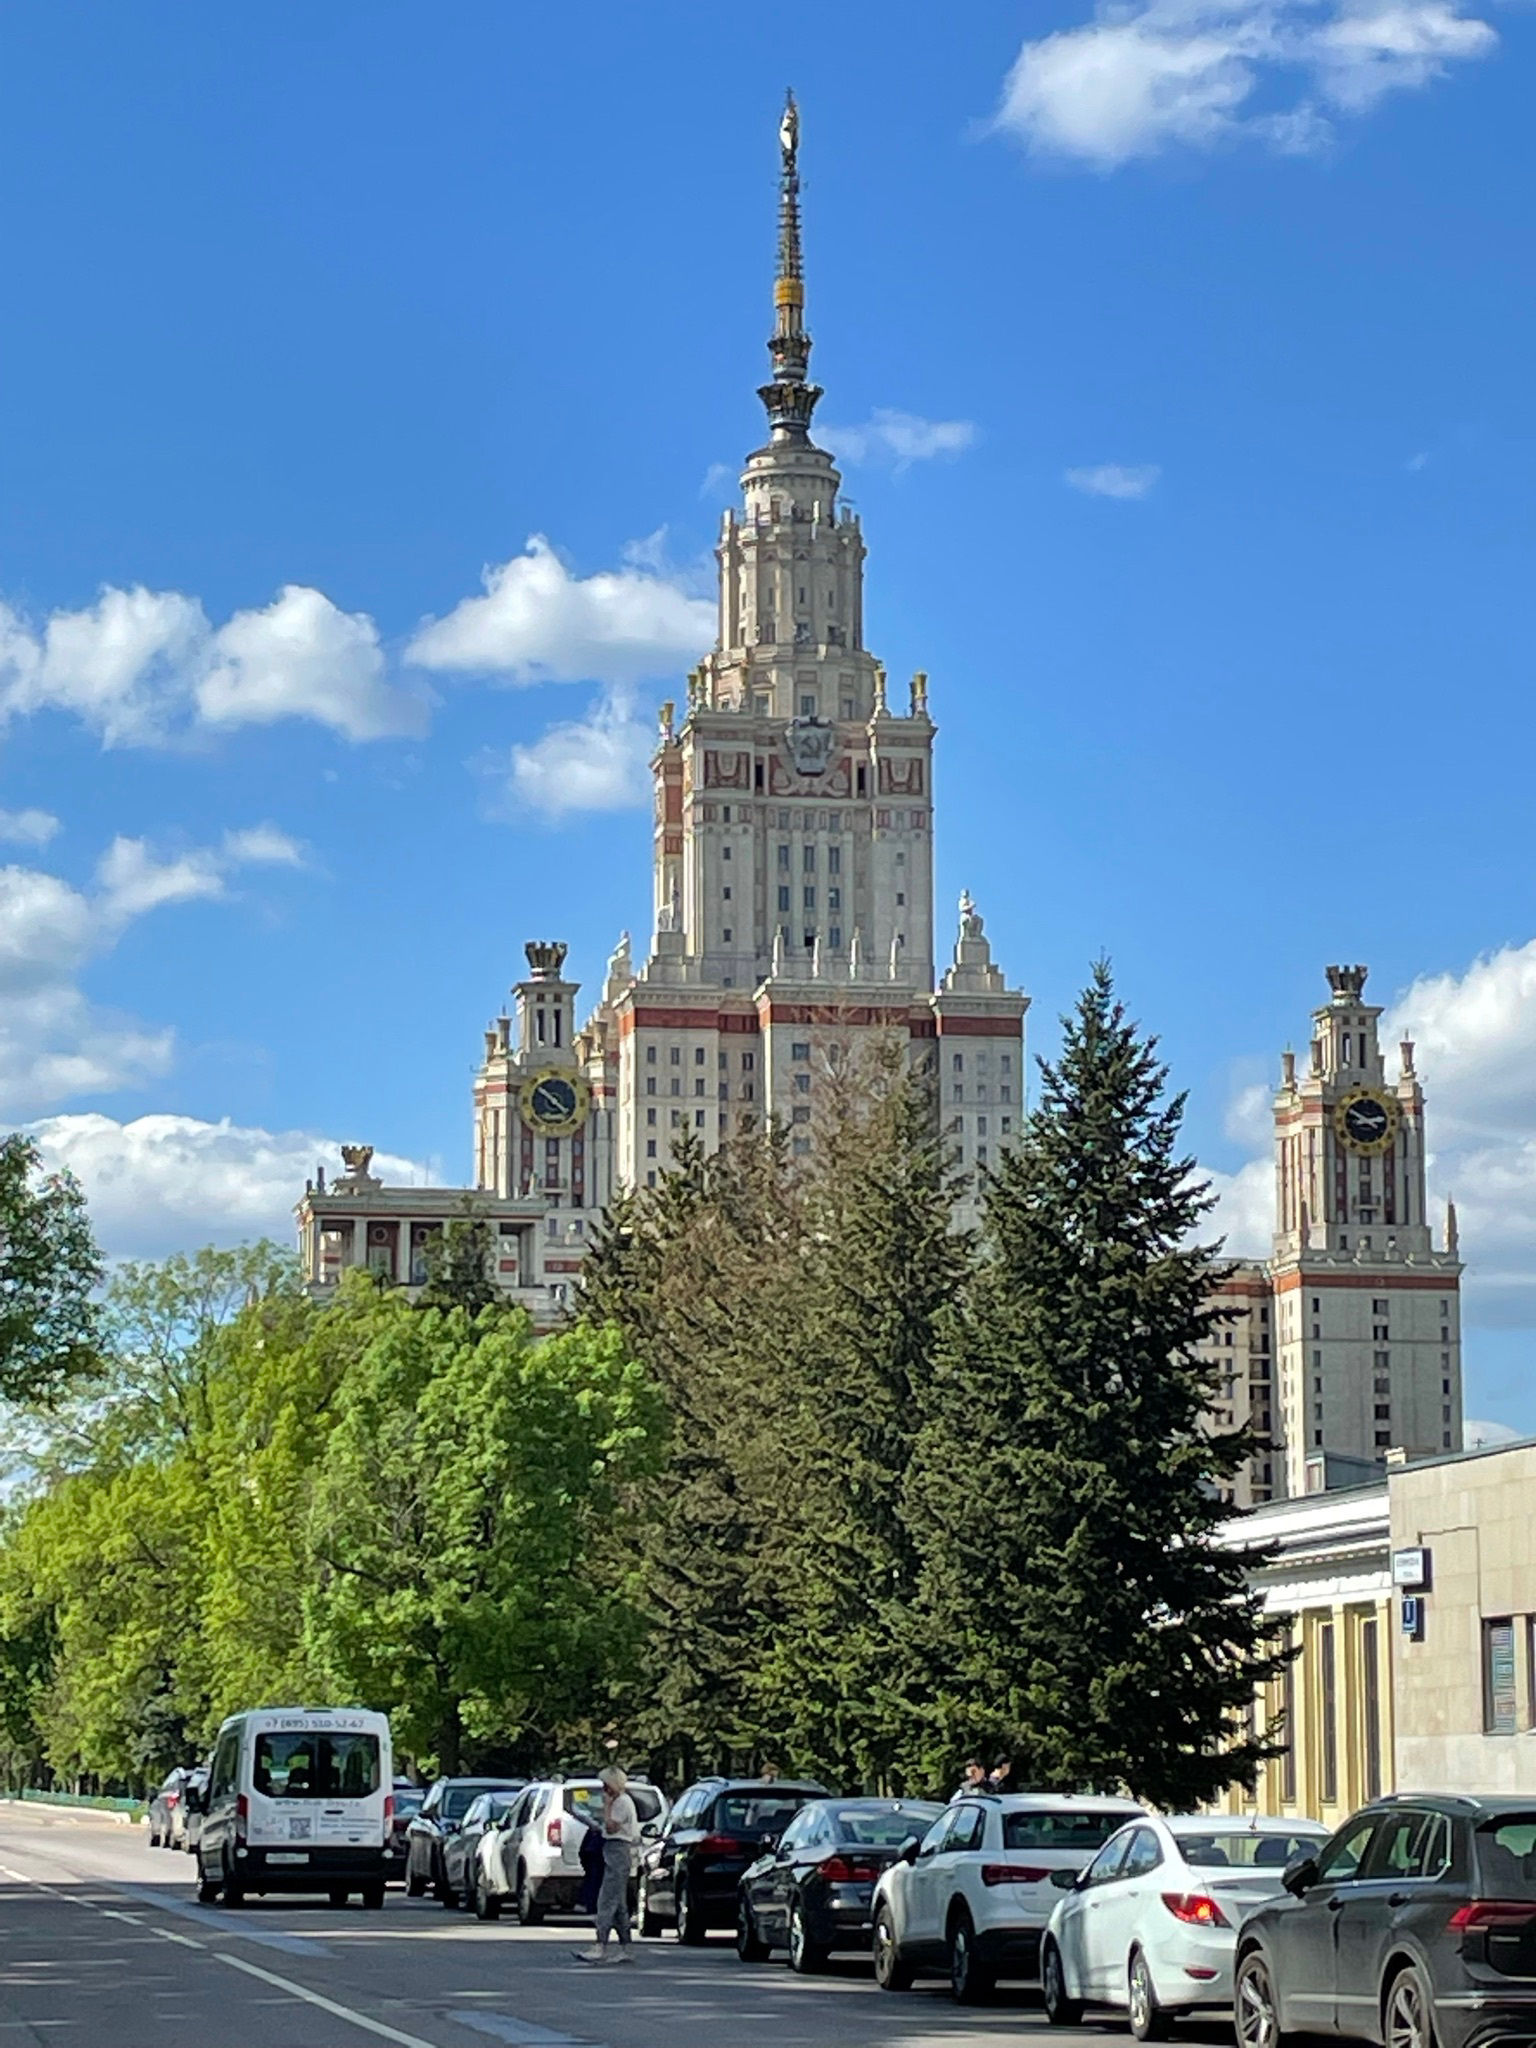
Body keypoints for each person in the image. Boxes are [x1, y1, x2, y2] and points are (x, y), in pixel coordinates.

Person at [576, 1766, 639, 1963]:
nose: (604, 1789)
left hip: (618, 1849)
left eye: (606, 1785)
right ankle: (625, 1947)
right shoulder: (623, 1801)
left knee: (607, 1900)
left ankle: (600, 1944)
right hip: (615, 1850)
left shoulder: (620, 1802)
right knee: (618, 1903)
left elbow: (612, 1828)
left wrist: (607, 1806)